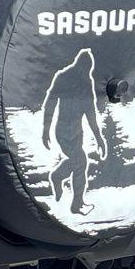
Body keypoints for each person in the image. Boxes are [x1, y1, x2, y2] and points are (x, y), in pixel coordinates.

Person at [41, 48, 107, 215]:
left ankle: (58, 177)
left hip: (76, 131)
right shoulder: (64, 77)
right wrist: (45, 129)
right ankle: (76, 204)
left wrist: (99, 139)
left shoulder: (86, 81)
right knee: (81, 162)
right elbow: (50, 102)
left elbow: (90, 113)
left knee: (77, 161)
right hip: (63, 130)